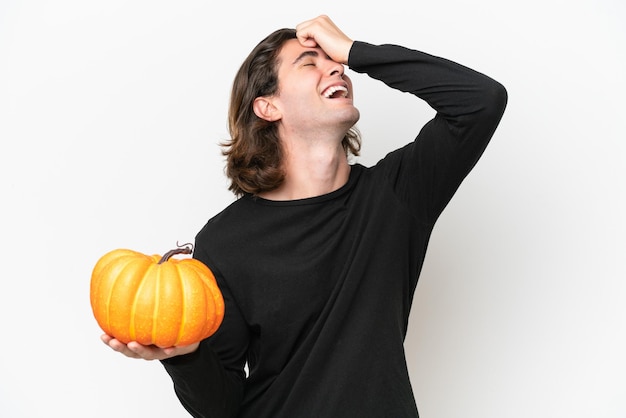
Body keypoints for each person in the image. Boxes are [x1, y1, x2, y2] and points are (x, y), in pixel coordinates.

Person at [102, 14, 507, 418]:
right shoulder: (225, 240)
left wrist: (355, 51)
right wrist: (185, 356)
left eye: (335, 60)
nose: (336, 68)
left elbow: (481, 100)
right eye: (309, 62)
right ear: (268, 106)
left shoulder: (396, 196)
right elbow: (221, 407)